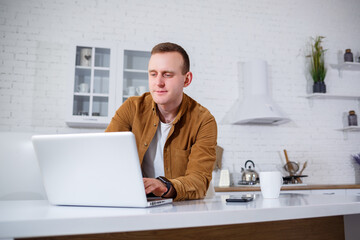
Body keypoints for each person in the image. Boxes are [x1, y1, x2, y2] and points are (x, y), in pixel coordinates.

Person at [105, 42, 217, 201]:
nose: (158, 82)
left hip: (186, 205)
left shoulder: (203, 121)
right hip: (141, 201)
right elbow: (106, 157)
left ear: (186, 80)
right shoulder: (132, 108)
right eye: (153, 74)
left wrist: (165, 186)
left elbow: (199, 180)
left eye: (167, 74)